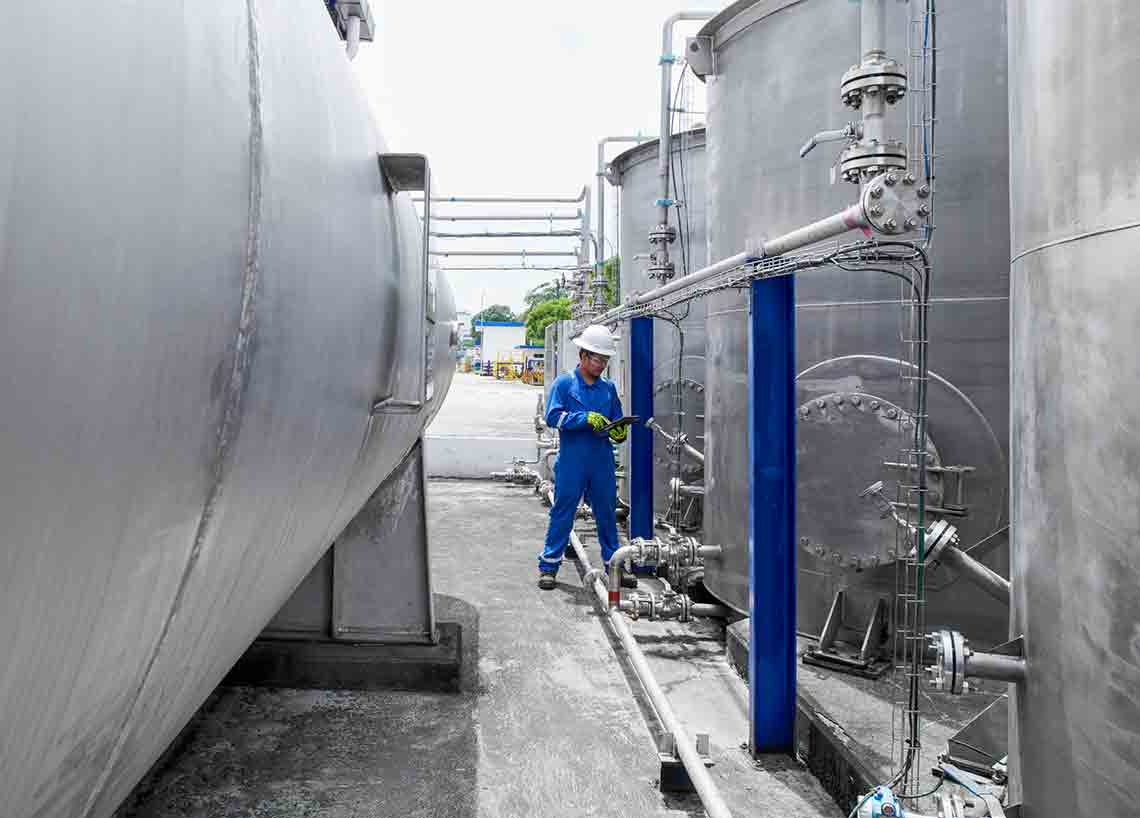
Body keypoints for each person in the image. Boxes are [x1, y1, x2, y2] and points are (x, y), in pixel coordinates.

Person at [537, 324, 635, 591]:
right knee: (563, 511)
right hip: (572, 460)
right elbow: (553, 417)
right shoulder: (565, 384)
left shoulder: (608, 388)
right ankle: (549, 566)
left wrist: (619, 430)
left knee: (606, 513)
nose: (602, 364)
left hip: (601, 459)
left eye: (605, 360)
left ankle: (613, 564)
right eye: (598, 359)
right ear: (583, 355)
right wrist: (583, 418)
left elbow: (617, 421)